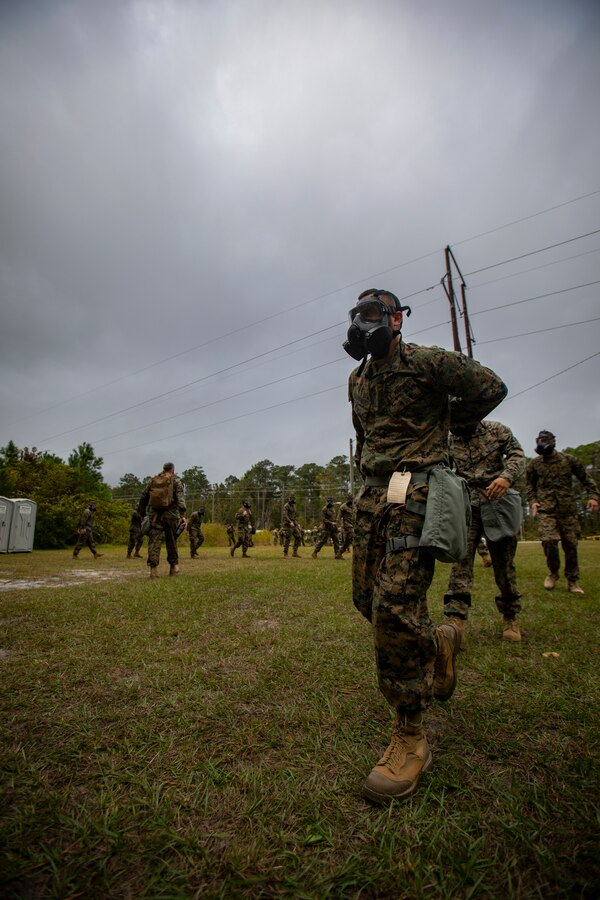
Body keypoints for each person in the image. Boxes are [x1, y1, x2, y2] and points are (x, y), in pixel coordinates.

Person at [346, 287, 507, 803]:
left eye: (374, 314)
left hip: (417, 494)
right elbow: (364, 434)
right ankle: (437, 643)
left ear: (396, 320)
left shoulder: (429, 362)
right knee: (368, 602)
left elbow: (491, 388)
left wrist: (448, 423)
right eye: (358, 316)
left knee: (395, 607)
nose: (364, 323)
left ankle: (410, 736)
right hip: (372, 497)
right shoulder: (357, 380)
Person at [443, 420, 525, 642]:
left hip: (497, 502)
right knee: (460, 562)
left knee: (504, 564)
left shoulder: (496, 430)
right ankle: (455, 620)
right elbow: (441, 468)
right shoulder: (450, 438)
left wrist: (506, 477)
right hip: (466, 506)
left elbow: (517, 454)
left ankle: (510, 616)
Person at [526, 430, 599, 594]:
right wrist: (533, 502)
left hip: (567, 511)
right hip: (546, 510)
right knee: (548, 540)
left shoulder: (569, 460)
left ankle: (573, 581)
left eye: (545, 441)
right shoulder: (535, 464)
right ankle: (553, 573)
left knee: (571, 545)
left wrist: (593, 497)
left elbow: (587, 480)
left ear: (553, 441)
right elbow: (529, 485)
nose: (541, 444)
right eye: (539, 441)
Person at [138, 462, 186, 578]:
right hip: (171, 517)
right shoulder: (176, 482)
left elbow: (143, 497)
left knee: (154, 543)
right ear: (173, 470)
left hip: (155, 517)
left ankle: (153, 570)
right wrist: (182, 514)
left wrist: (141, 513)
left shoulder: (153, 481)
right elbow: (180, 499)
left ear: (163, 469)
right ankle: (174, 567)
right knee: (172, 542)